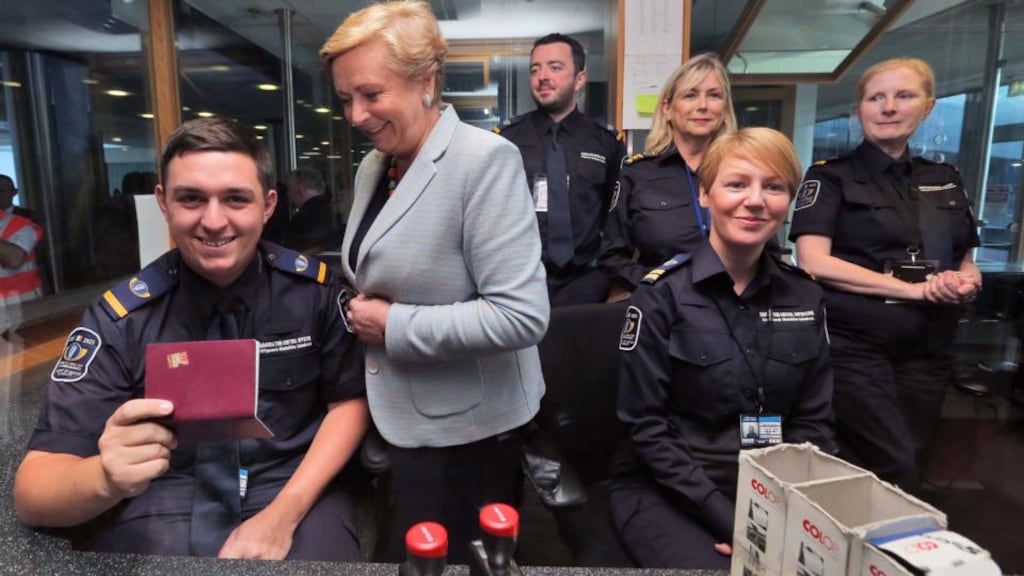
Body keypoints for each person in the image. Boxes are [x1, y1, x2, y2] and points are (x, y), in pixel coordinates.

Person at [13, 118, 369, 561]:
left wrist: (284, 513)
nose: (213, 221)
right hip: (161, 494)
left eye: (236, 199)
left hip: (292, 487)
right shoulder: (121, 318)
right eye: (191, 199)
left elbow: (349, 401)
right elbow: (33, 493)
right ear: (164, 202)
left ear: (268, 204)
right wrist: (104, 477)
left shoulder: (313, 294)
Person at [320, 0, 549, 565]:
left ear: (425, 82)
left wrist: (393, 324)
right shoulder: (377, 164)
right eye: (346, 99)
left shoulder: (485, 160)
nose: (356, 115)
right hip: (401, 410)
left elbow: (521, 316)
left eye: (371, 95)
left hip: (469, 430)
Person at [610, 128, 835, 569]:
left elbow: (816, 422)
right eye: (737, 184)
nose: (755, 200)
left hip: (773, 490)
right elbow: (646, 429)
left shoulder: (806, 297)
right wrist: (732, 519)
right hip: (671, 490)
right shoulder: (660, 296)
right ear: (706, 194)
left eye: (773, 187)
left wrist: (775, 512)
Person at [788, 57, 981, 491]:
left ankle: (891, 550)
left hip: (928, 346)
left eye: (904, 96)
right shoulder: (831, 178)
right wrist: (910, 292)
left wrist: (967, 278)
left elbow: (965, 256)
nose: (889, 107)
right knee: (891, 459)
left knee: (915, 454)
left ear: (927, 107)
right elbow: (813, 261)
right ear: (860, 109)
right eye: (876, 98)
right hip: (856, 346)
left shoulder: (944, 178)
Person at [494, 33, 624, 306]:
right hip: (520, 282)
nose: (542, 76)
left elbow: (615, 216)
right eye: (535, 69)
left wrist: (613, 278)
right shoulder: (505, 140)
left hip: (586, 283)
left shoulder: (606, 142)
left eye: (555, 67)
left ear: (580, 79)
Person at [600, 53, 736, 301]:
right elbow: (612, 256)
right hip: (664, 306)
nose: (703, 105)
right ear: (667, 109)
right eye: (690, 95)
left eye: (714, 95)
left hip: (734, 304)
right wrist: (660, 284)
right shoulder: (638, 174)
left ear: (725, 110)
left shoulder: (743, 172)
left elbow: (766, 253)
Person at [0, 174, 44, 308]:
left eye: (1, 191)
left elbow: (15, 259)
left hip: (22, 302)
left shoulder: (24, 220)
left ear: (14, 193)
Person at [282, 167, 341, 255]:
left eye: (289, 189)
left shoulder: (305, 217)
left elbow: (295, 250)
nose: (288, 194)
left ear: (299, 189)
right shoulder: (332, 211)